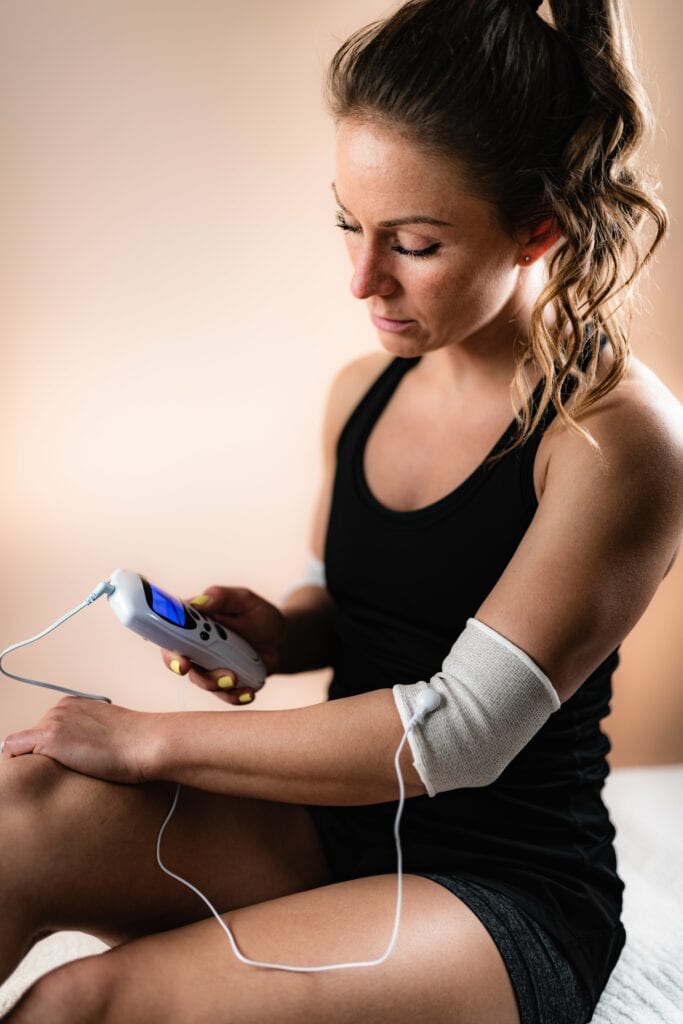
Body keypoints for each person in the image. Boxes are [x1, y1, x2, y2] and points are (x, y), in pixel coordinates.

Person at [1, 0, 681, 1021]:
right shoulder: (362, 391)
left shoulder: (617, 439)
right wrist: (278, 631)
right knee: (17, 818)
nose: (361, 279)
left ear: (536, 227)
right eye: (348, 226)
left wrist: (147, 738)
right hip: (334, 823)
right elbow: (346, 594)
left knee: (79, 1002)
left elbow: (456, 732)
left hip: (498, 886)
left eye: (410, 243)